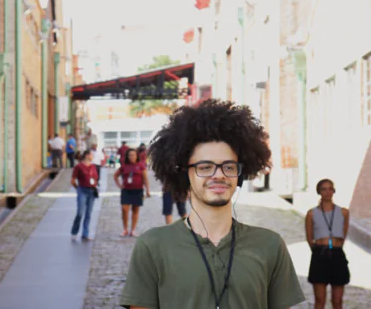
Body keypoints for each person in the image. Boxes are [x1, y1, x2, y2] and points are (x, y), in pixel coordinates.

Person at [120, 99, 305, 309]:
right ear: (184, 174)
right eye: (205, 167)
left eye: (228, 166)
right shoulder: (152, 246)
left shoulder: (270, 246)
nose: (218, 175)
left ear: (240, 175)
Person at [305, 179, 350, 309]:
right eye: (324, 189)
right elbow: (309, 237)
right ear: (319, 192)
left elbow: (344, 232)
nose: (327, 192)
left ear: (334, 191)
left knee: (337, 300)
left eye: (330, 189)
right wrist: (318, 249)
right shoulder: (312, 213)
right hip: (320, 253)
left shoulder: (343, 212)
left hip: (337, 254)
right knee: (319, 300)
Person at [114, 148, 151, 237]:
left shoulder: (141, 165)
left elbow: (145, 178)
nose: (132, 157)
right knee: (124, 209)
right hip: (126, 190)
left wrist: (147, 190)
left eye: (133, 155)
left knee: (135, 210)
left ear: (136, 156)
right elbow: (115, 175)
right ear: (127, 156)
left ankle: (133, 230)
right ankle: (125, 229)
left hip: (138, 190)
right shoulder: (124, 166)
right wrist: (119, 185)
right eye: (130, 155)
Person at [70, 150, 99, 241]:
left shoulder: (93, 166)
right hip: (82, 190)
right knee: (80, 213)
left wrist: (94, 184)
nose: (93, 156)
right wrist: (78, 188)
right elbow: (73, 180)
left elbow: (96, 178)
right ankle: (74, 231)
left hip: (92, 191)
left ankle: (85, 234)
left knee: (88, 214)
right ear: (87, 155)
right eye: (91, 155)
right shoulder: (78, 167)